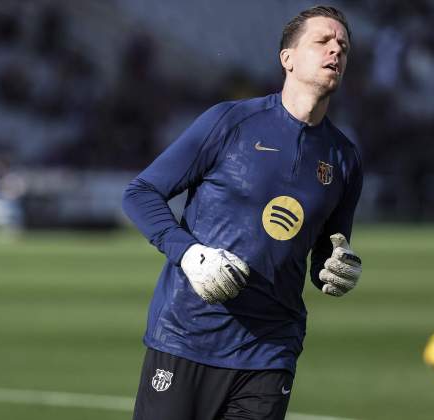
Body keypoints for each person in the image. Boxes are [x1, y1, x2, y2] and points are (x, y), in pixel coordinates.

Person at [122, 5, 363, 419]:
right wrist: (191, 254)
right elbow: (140, 193)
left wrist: (335, 266)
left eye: (342, 45)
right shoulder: (230, 122)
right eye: (323, 41)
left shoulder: (344, 158)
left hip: (270, 350)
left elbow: (329, 247)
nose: (335, 51)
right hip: (187, 336)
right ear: (287, 58)